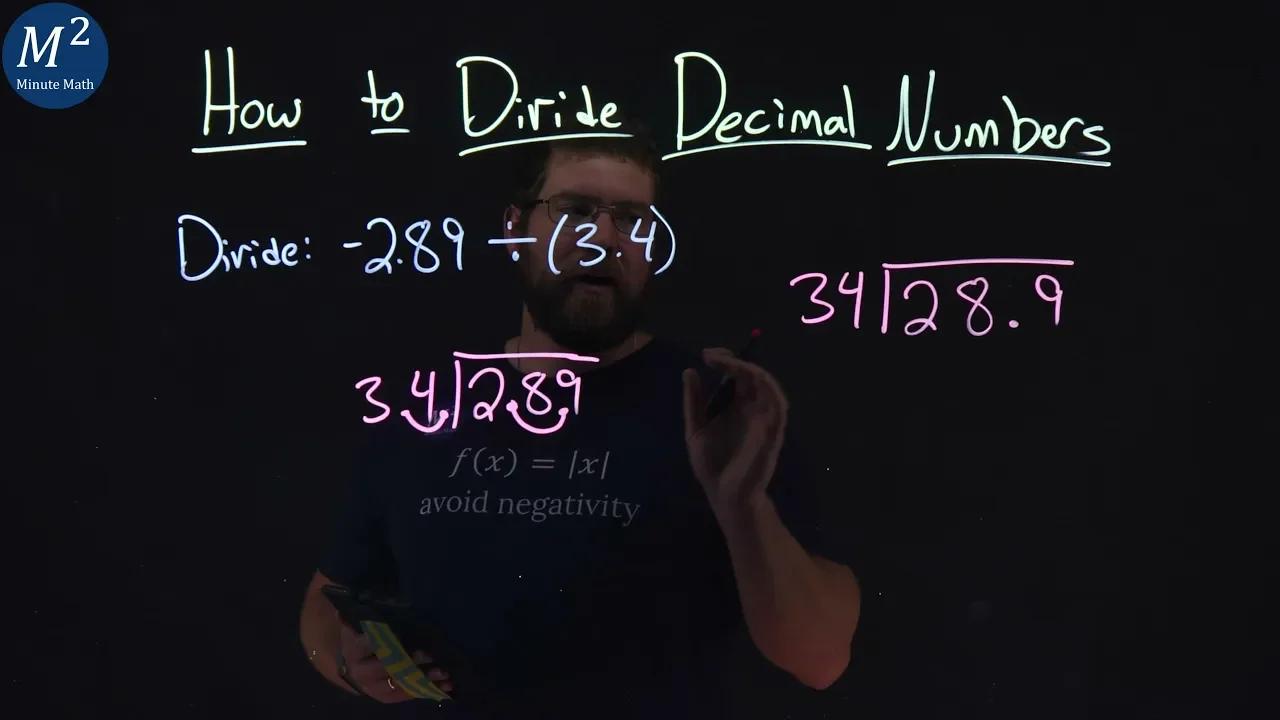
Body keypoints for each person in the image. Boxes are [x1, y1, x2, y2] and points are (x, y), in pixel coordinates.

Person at [297, 123, 861, 718]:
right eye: (575, 211)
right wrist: (345, 661)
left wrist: (742, 506)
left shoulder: (719, 411)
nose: (604, 239)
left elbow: (820, 657)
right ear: (514, 228)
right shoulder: (429, 404)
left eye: (632, 220)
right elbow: (323, 607)